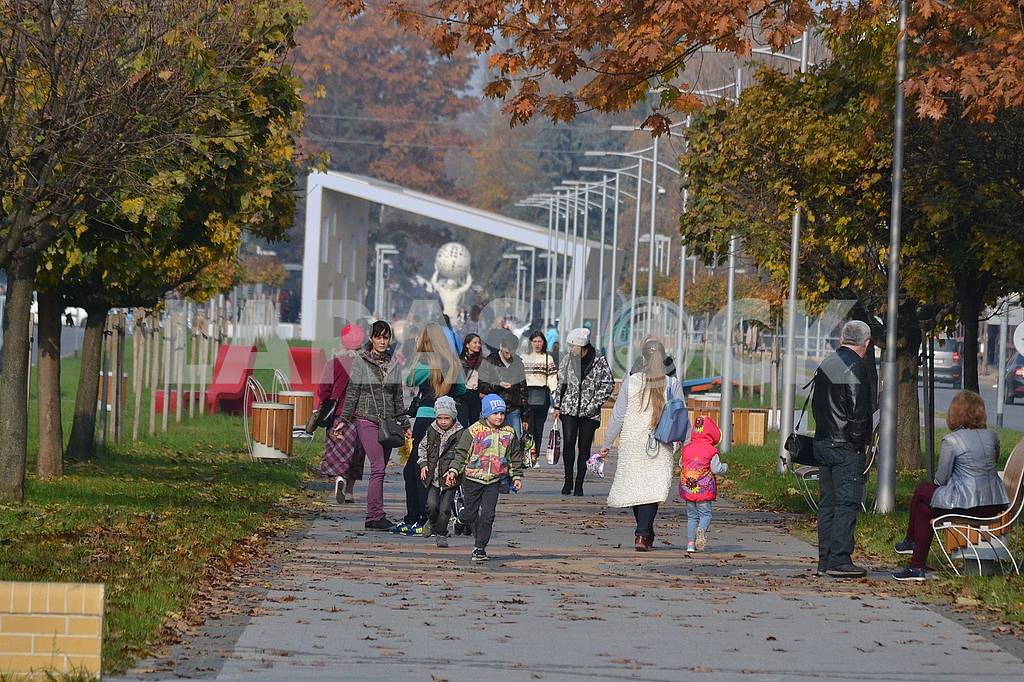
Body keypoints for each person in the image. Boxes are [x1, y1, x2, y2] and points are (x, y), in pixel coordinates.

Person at [892, 390, 1009, 581]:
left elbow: (941, 480)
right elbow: (991, 465)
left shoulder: (952, 441)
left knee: (922, 490)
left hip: (967, 507)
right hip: (995, 504)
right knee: (923, 510)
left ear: (954, 413)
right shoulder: (992, 436)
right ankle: (915, 567)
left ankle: (911, 544)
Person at [598, 340, 684, 550]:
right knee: (651, 489)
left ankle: (643, 533)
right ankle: (643, 533)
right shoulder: (672, 383)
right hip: (659, 442)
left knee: (636, 487)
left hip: (632, 442)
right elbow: (681, 413)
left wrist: (606, 443)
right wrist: (686, 443)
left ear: (643, 358)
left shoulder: (632, 381)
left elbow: (618, 415)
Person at [811, 319, 873, 578]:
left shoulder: (828, 363)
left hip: (824, 441)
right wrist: (860, 443)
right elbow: (858, 411)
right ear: (866, 344)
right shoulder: (857, 367)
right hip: (846, 446)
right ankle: (840, 559)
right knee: (847, 502)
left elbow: (817, 405)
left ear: (842, 339)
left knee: (828, 504)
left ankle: (825, 559)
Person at [337, 320, 412, 530]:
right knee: (377, 467)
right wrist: (343, 420)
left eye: (385, 337)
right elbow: (352, 393)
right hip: (366, 418)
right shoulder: (362, 362)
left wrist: (405, 423)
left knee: (382, 468)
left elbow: (398, 398)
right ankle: (375, 515)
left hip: (388, 423)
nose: (382, 341)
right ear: (371, 339)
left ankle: (374, 517)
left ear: (390, 340)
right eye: (378, 337)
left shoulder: (393, 364)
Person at [398, 324, 466, 535]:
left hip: (426, 418)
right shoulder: (454, 365)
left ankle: (418, 517)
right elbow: (462, 389)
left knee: (415, 469)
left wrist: (418, 357)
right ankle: (432, 515)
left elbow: (409, 379)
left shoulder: (424, 364)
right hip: (449, 421)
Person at [444, 394, 525, 562]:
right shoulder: (473, 431)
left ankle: (479, 548)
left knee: (488, 515)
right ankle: (460, 520)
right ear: (486, 413)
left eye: (502, 413)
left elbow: (515, 455)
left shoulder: (508, 433)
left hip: (494, 480)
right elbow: (461, 454)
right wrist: (453, 471)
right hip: (473, 478)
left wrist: (516, 476)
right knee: (471, 513)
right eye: (495, 413)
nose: (499, 417)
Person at [553, 327, 614, 496]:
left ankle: (579, 482)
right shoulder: (567, 359)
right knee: (569, 442)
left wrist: (594, 403)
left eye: (572, 345)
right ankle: (568, 480)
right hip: (569, 408)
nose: (570, 348)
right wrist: (557, 405)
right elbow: (561, 383)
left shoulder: (599, 359)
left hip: (590, 412)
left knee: (584, 447)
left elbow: (608, 383)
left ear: (582, 346)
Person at [317, 323, 366, 504]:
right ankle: (351, 492)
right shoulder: (365, 365)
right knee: (356, 453)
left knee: (338, 450)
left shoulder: (333, 364)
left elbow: (323, 389)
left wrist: (322, 404)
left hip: (336, 414)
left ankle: (339, 479)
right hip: (358, 415)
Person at [417, 396, 465, 547]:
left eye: (447, 418)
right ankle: (431, 522)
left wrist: (455, 471)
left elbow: (462, 454)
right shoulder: (431, 430)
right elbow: (422, 447)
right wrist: (423, 464)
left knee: (445, 509)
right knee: (431, 505)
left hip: (450, 477)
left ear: (453, 417)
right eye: (440, 418)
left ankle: (441, 534)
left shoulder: (460, 433)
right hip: (433, 476)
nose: (443, 421)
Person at [679, 416, 728, 553]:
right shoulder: (711, 451)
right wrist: (725, 467)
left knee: (691, 516)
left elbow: (680, 464)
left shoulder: (687, 449)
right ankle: (701, 530)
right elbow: (716, 469)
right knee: (705, 515)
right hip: (704, 490)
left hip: (688, 489)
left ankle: (690, 545)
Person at [478, 329, 528, 440]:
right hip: (493, 408)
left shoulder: (518, 363)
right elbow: (481, 385)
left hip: (513, 408)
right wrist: (498, 384)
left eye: (512, 353)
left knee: (515, 440)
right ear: (501, 346)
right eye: (506, 352)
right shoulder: (490, 361)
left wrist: (525, 417)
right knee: (491, 440)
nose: (509, 356)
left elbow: (523, 390)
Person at [522, 331, 558, 464]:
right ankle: (527, 455)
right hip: (526, 396)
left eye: (539, 341)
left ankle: (535, 456)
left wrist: (556, 403)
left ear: (544, 343)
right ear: (530, 343)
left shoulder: (548, 359)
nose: (537, 344)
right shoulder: (523, 358)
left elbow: (552, 380)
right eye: (535, 341)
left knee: (539, 428)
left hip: (542, 396)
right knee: (527, 428)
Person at [457, 333, 484, 425]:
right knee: (462, 423)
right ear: (467, 344)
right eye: (475, 342)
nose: (478, 345)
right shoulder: (460, 360)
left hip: (476, 395)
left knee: (475, 424)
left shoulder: (482, 361)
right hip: (463, 394)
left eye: (479, 343)